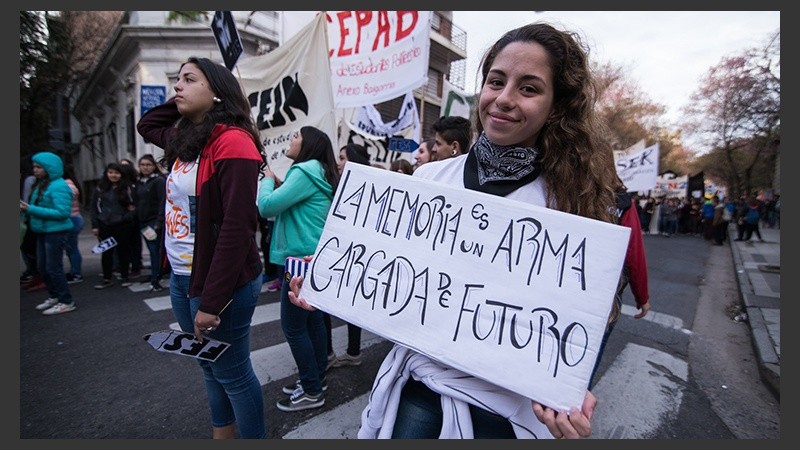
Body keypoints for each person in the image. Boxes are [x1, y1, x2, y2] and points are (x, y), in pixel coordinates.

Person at [287, 22, 605, 439]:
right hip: (420, 392)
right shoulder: (429, 180)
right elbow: (394, 272)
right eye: (496, 81)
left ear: (557, 105)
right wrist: (335, 274)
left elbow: (575, 320)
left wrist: (571, 386)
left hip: (508, 410)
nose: (504, 98)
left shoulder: (570, 204)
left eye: (528, 88)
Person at [137, 56, 266, 439]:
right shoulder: (188, 139)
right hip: (183, 277)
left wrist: (212, 301)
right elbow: (148, 124)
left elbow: (237, 228)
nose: (177, 86)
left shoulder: (233, 142)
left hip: (219, 284)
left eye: (189, 79)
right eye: (177, 79)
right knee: (207, 364)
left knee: (232, 372)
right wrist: (185, 101)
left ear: (218, 92)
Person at [257, 126, 339, 412]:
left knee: (293, 327)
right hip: (313, 257)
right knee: (312, 323)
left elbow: (267, 207)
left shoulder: (303, 171)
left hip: (299, 260)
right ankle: (316, 379)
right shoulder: (318, 171)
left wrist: (267, 181)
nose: (291, 139)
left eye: (296, 136)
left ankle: (312, 390)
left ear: (308, 144)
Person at [588, 188, 650, 388]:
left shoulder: (558, 187)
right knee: (588, 355)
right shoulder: (620, 201)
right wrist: (642, 297)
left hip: (561, 282)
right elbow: (633, 252)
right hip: (604, 291)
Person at [326, 143, 371, 369]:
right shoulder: (343, 184)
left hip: (356, 253)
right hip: (346, 251)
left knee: (351, 304)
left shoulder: (363, 186)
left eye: (343, 158)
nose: (338, 163)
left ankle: (349, 352)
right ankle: (352, 351)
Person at [20, 151, 77, 315]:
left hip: (55, 232)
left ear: (49, 168)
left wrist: (30, 209)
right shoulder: (41, 184)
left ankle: (66, 301)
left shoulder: (59, 186)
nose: (35, 170)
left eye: (39, 167)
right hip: (42, 230)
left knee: (54, 268)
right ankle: (55, 296)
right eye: (34, 167)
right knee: (42, 267)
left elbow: (62, 213)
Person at [90, 162, 138, 289]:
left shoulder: (128, 188)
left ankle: (124, 276)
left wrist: (126, 217)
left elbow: (135, 206)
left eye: (116, 173)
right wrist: (95, 225)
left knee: (123, 251)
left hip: (123, 224)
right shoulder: (100, 188)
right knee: (106, 252)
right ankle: (107, 278)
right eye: (110, 172)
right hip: (104, 224)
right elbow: (94, 208)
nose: (113, 175)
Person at [135, 154, 166, 291]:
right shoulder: (140, 182)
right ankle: (154, 275)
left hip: (154, 221)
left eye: (148, 165)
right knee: (151, 250)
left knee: (155, 251)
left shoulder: (159, 181)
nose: (145, 167)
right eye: (142, 165)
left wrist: (159, 222)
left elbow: (163, 202)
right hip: (143, 221)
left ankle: (156, 279)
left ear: (154, 166)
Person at [62, 163, 85, 284]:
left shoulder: (67, 186)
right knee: (71, 248)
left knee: (72, 248)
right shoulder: (71, 183)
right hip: (74, 218)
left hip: (72, 219)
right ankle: (75, 272)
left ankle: (76, 273)